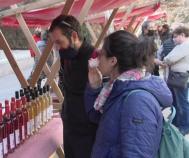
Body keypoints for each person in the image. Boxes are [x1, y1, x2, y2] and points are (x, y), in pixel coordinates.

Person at [85, 30, 172, 157]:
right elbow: (103, 120)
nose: (97, 58)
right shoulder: (118, 87)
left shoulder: (137, 101)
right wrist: (95, 87)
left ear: (112, 61)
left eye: (100, 54)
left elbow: (137, 154)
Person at [49, 15, 98, 158]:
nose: (57, 48)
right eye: (55, 44)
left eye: (59, 42)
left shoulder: (96, 58)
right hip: (69, 132)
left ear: (74, 36)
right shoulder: (66, 58)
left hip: (89, 137)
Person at [163, 25, 189, 135]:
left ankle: (185, 125)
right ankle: (177, 121)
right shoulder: (181, 45)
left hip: (181, 77)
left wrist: (167, 61)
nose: (173, 39)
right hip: (177, 76)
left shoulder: (185, 45)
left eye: (175, 36)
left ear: (182, 35)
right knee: (177, 101)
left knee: (182, 102)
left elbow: (169, 58)